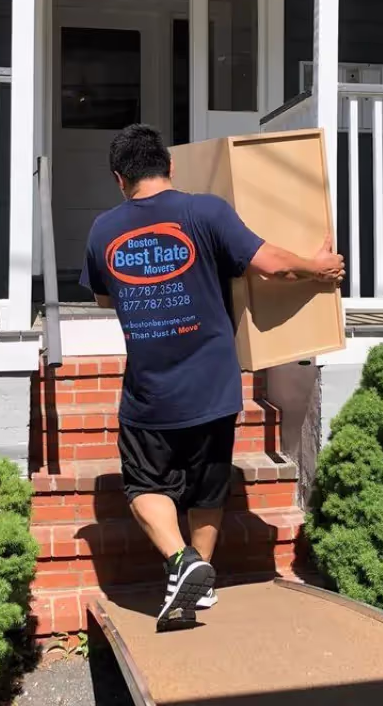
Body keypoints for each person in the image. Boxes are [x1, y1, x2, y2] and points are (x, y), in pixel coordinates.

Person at [80, 124, 344, 632]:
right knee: (208, 485)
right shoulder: (206, 212)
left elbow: (103, 298)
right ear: (169, 166)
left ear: (119, 179)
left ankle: (183, 567)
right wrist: (317, 267)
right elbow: (270, 266)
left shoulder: (102, 230)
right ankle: (198, 578)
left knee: (143, 483)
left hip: (151, 388)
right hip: (215, 384)